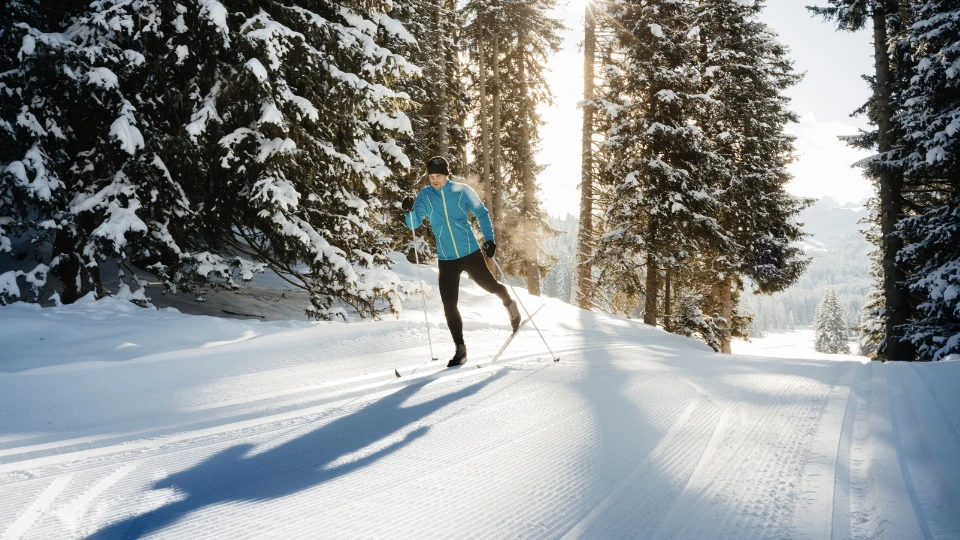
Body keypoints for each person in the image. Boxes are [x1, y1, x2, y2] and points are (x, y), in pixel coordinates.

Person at [402, 156, 521, 367]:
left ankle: (508, 301)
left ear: (446, 175)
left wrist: (490, 240)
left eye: (438, 175)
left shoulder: (463, 191)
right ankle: (460, 348)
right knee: (449, 304)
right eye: (431, 176)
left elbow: (482, 214)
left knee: (490, 285)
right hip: (446, 258)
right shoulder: (425, 195)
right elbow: (414, 223)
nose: (434, 180)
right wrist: (408, 211)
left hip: (469, 252)